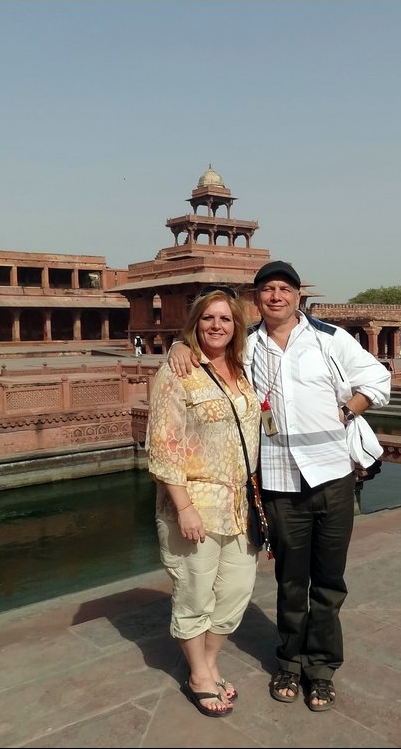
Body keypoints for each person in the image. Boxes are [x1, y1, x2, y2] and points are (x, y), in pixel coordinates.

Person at [168, 260, 391, 712]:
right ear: (256, 299)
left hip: (332, 477)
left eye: (284, 289)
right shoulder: (246, 346)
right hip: (279, 481)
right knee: (292, 581)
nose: (276, 296)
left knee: (328, 581)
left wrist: (351, 408)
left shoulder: (330, 339)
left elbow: (379, 379)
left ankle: (322, 668)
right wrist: (178, 344)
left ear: (297, 296)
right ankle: (289, 661)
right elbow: (206, 347)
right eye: (267, 289)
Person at [145, 286, 261, 718]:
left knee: (235, 592)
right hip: (194, 504)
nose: (217, 326)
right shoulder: (177, 372)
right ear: (195, 324)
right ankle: (199, 674)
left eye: (225, 319)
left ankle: (209, 662)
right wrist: (184, 506)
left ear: (237, 326)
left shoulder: (243, 368)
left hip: (241, 504)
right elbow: (162, 447)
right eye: (208, 319)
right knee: (194, 592)